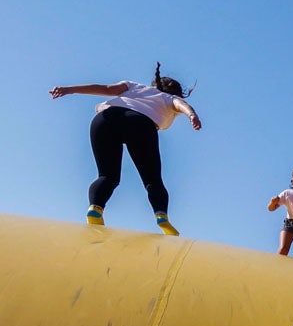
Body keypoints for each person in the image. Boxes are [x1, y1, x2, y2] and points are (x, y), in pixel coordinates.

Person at [49, 63, 201, 235]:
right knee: (152, 180)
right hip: (140, 124)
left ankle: (95, 208)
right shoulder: (168, 98)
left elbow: (105, 88)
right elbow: (181, 105)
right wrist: (192, 115)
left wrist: (69, 89)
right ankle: (162, 216)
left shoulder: (134, 86)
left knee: (107, 176)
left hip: (105, 119)